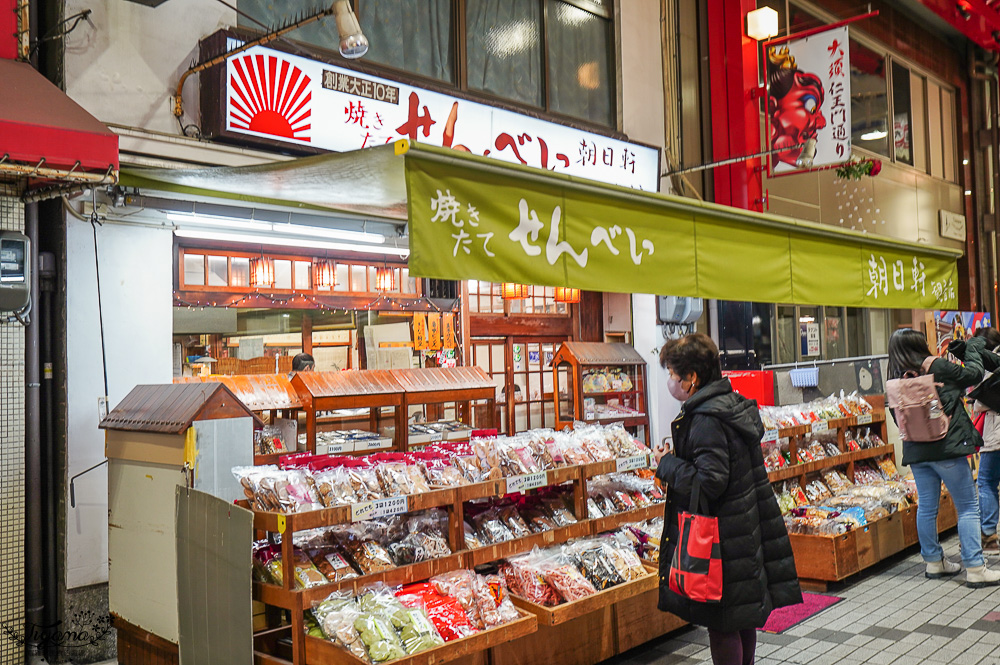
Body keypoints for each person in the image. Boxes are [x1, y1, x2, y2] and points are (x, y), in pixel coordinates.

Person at [655, 333, 801, 665]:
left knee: (721, 625)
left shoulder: (705, 419)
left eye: (672, 374)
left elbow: (710, 482)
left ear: (691, 378)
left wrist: (667, 464)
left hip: (720, 539)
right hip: (742, 530)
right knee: (740, 617)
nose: (669, 381)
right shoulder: (729, 405)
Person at [888, 329, 1000, 587]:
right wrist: (971, 349)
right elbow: (972, 375)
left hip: (915, 452)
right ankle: (975, 567)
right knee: (968, 506)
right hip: (945, 448)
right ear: (918, 344)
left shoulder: (894, 375)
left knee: (927, 506)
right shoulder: (932, 365)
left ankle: (934, 562)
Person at [972, 327, 1000, 552]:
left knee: (986, 482)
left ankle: (989, 536)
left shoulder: (990, 366)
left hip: (996, 433)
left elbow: (982, 401)